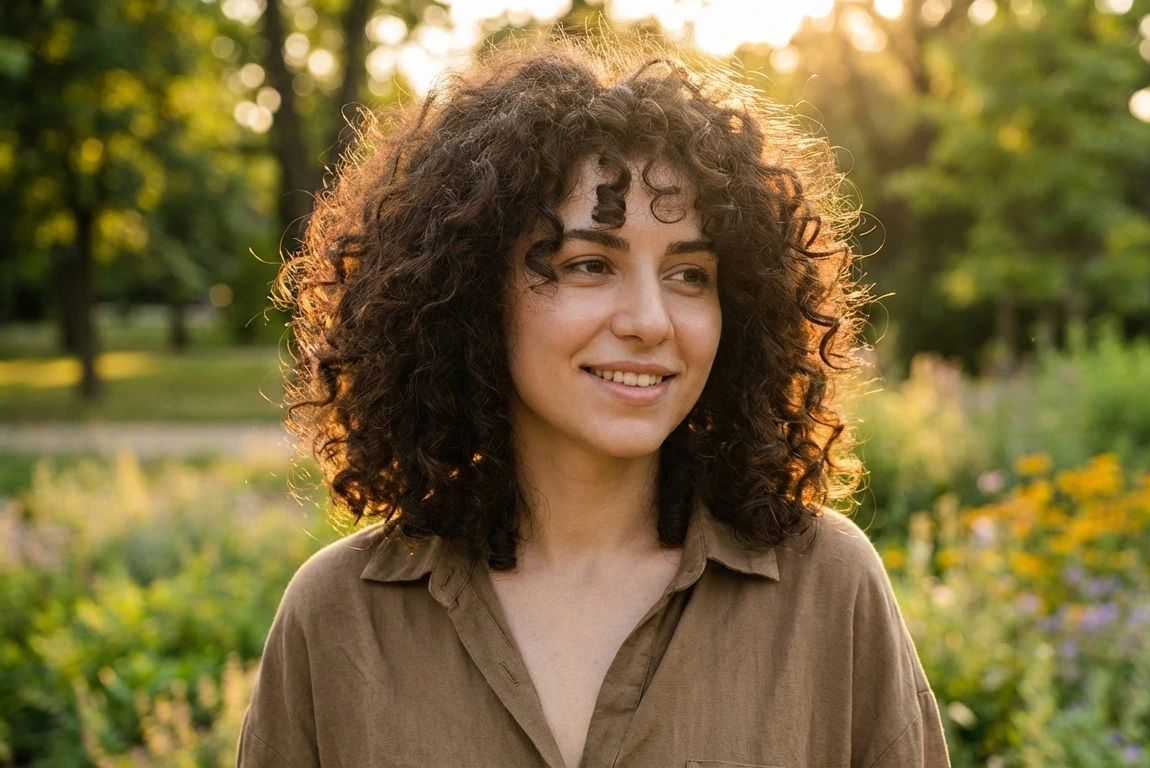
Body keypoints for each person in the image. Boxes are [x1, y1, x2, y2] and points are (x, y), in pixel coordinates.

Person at [237, 34, 951, 768]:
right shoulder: (338, 619)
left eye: (689, 275)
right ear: (473, 293)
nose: (649, 321)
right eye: (589, 265)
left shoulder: (826, 590)